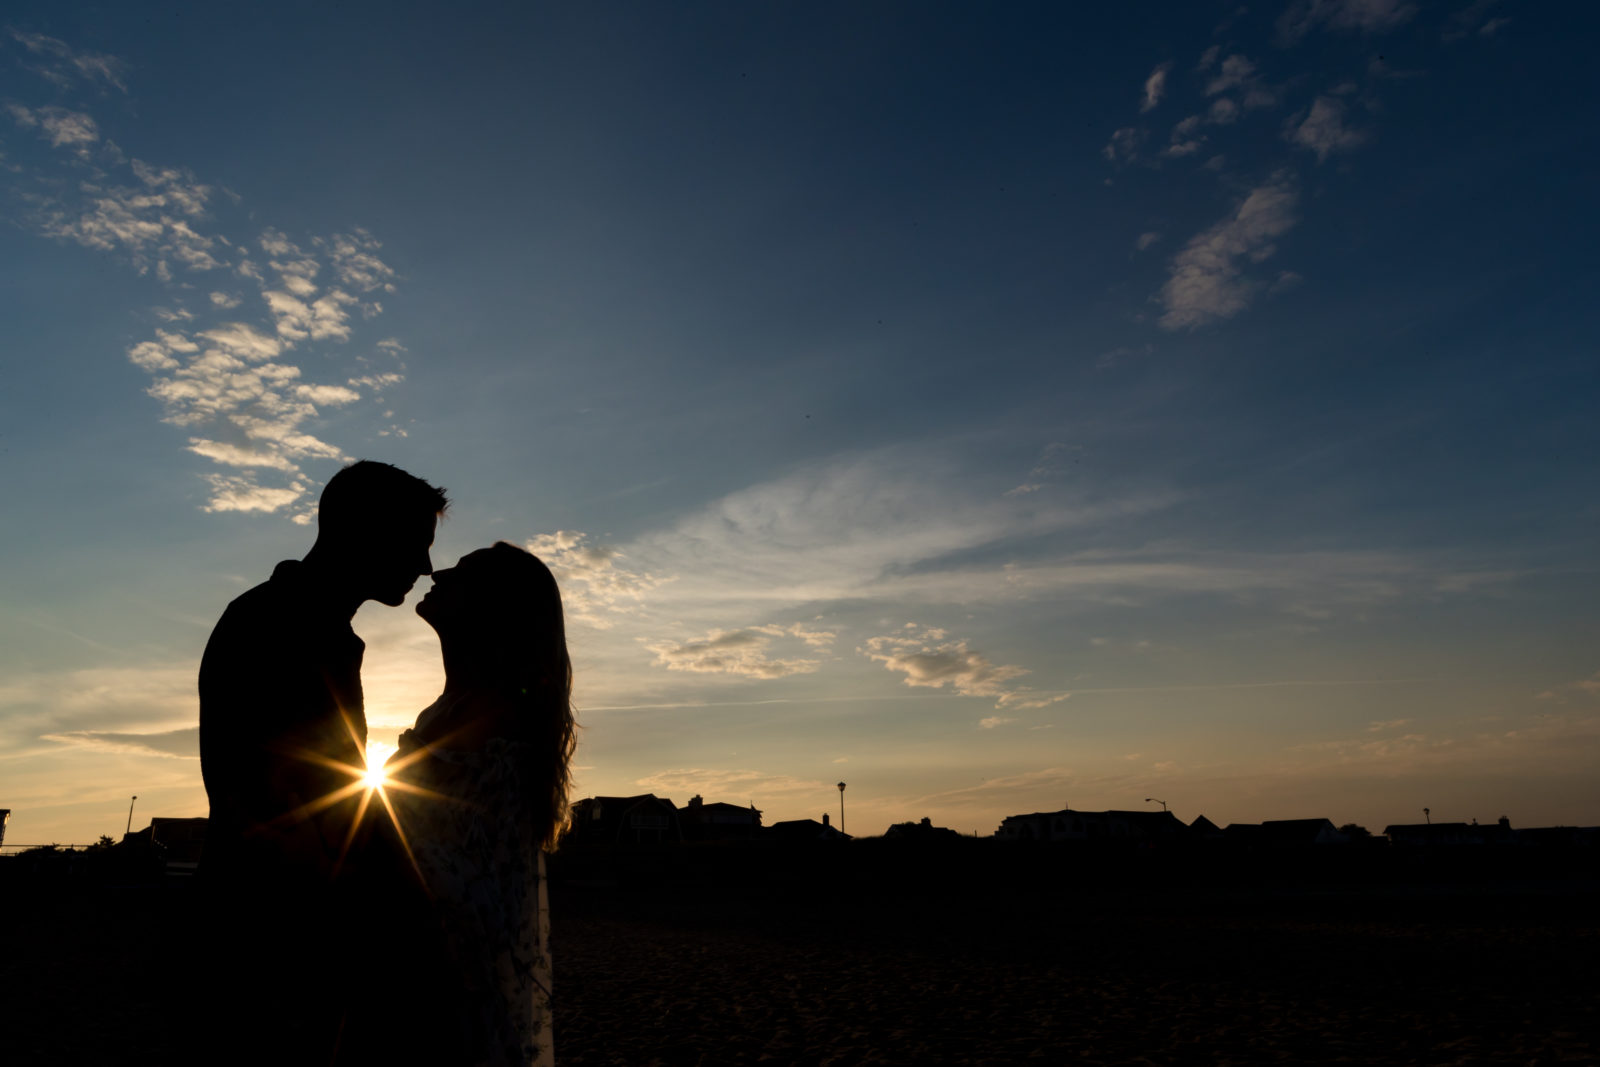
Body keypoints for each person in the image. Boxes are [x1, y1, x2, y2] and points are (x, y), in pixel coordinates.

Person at [196, 459, 448, 1063]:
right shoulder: (278, 626)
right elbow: (272, 806)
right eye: (417, 542)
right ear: (363, 530)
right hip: (270, 947)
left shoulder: (308, 626)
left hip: (280, 937)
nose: (426, 565)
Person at [366, 542, 576, 1067]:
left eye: (465, 571)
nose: (439, 571)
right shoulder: (452, 708)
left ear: (494, 608)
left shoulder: (495, 719)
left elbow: (481, 888)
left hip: (440, 997)